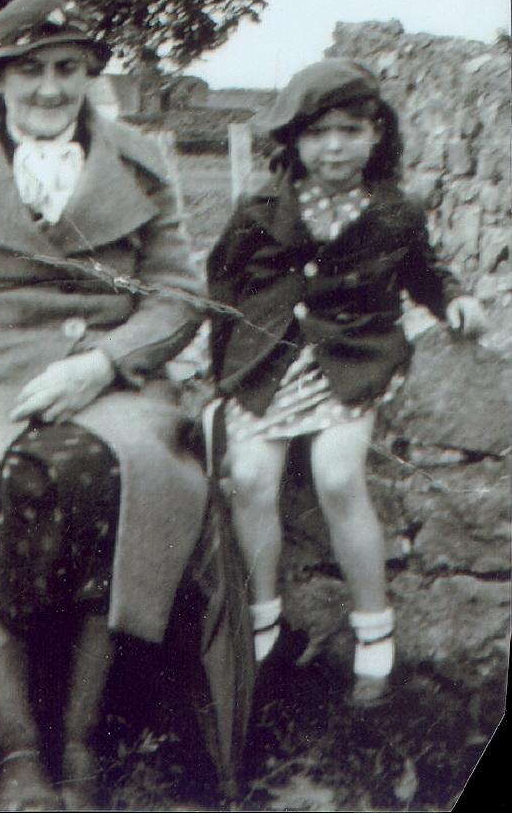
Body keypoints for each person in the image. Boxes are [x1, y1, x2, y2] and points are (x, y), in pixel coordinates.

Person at [0, 0, 209, 810]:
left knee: (115, 470)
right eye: (29, 69)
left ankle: (78, 745)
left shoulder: (139, 158)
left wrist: (104, 364)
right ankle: (16, 754)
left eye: (68, 69)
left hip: (112, 377)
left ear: (89, 75)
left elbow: (177, 293)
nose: (48, 89)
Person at [207, 59, 485, 707]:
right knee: (249, 475)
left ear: (375, 134)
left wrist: (456, 301)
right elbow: (222, 290)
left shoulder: (394, 211)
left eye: (351, 130)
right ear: (294, 142)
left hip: (351, 359)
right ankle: (262, 619)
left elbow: (425, 274)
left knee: (336, 473)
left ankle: (372, 631)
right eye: (318, 133)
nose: (334, 147)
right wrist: (223, 378)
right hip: (268, 363)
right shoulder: (259, 209)